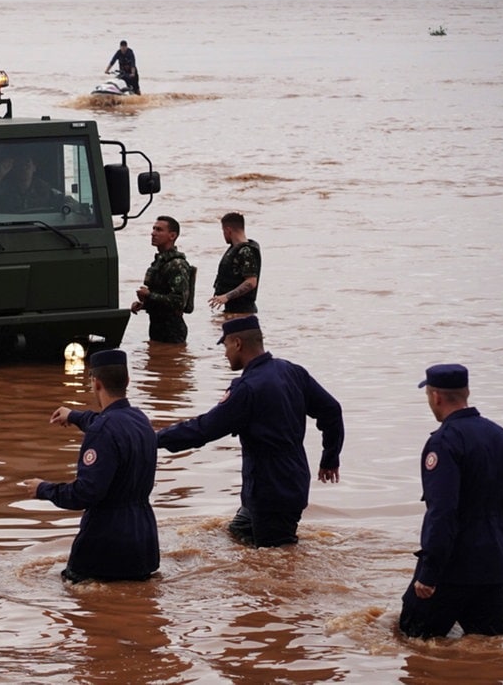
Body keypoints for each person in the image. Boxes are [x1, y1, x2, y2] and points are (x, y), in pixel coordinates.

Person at [156, 316, 344, 547]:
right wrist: (330, 457)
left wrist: (154, 439)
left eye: (225, 347)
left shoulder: (247, 389)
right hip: (292, 479)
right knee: (239, 530)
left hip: (269, 489)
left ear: (237, 343)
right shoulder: (292, 371)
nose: (225, 354)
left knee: (278, 563)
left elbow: (203, 430)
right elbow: (332, 410)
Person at [399, 364, 503, 639]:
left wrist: (429, 572)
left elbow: (442, 511)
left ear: (436, 397)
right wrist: (492, 529)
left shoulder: (444, 442)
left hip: (451, 569)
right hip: (493, 565)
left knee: (412, 644)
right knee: (490, 651)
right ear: (466, 392)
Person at [21, 349, 160, 583]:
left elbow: (86, 493)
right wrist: (74, 415)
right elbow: (106, 421)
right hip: (144, 542)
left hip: (104, 544)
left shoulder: (101, 431)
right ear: (127, 380)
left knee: (78, 609)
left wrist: (42, 489)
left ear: (95, 383)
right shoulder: (140, 419)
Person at [130, 216, 192, 343]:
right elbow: (162, 294)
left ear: (172, 235)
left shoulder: (177, 264)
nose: (153, 233)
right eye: (153, 229)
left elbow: (179, 301)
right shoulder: (160, 262)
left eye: (159, 230)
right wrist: (144, 305)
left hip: (172, 330)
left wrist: (149, 295)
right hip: (157, 327)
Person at [208, 212, 261, 315]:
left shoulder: (246, 251)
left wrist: (226, 296)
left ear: (228, 230)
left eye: (223, 231)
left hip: (243, 312)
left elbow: (251, 282)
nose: (223, 235)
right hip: (234, 310)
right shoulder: (235, 249)